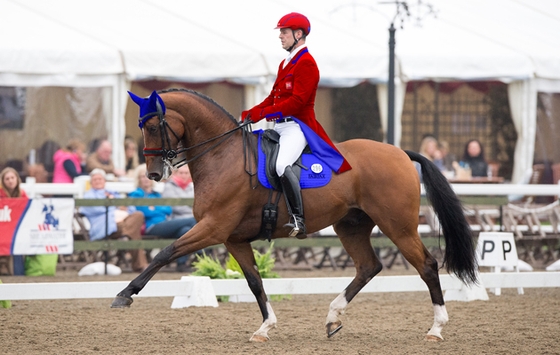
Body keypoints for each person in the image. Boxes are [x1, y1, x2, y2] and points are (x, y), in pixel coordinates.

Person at [240, 12, 351, 237]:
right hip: (279, 126)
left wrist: (264, 113)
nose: (280, 36)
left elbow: (297, 102)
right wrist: (252, 112)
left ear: (298, 34)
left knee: (281, 165)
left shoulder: (307, 63)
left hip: (298, 126)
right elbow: (274, 97)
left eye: (284, 31)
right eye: (280, 31)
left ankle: (298, 219)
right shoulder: (285, 63)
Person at [128, 164, 196, 271]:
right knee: (193, 220)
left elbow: (168, 209)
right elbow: (145, 213)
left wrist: (154, 208)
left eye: (148, 176)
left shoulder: (156, 194)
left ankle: (181, 264)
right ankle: (201, 252)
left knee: (185, 230)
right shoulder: (136, 194)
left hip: (165, 223)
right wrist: (158, 209)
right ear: (138, 179)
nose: (146, 179)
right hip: (151, 226)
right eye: (142, 176)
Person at [79, 169, 148, 272]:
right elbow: (94, 209)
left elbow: (130, 208)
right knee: (134, 233)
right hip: (105, 225)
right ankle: (140, 265)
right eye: (95, 179)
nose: (98, 181)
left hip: (122, 224)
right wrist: (116, 206)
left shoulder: (112, 193)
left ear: (104, 181)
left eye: (100, 179)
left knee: (138, 215)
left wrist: (124, 207)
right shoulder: (89, 195)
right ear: (91, 182)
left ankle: (126, 235)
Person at [0, 167, 28, 275]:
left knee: (19, 242)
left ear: (17, 179)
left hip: (16, 230)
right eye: (7, 179)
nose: (10, 181)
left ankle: (18, 273)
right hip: (3, 230)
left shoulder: (22, 194)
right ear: (3, 181)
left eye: (12, 178)